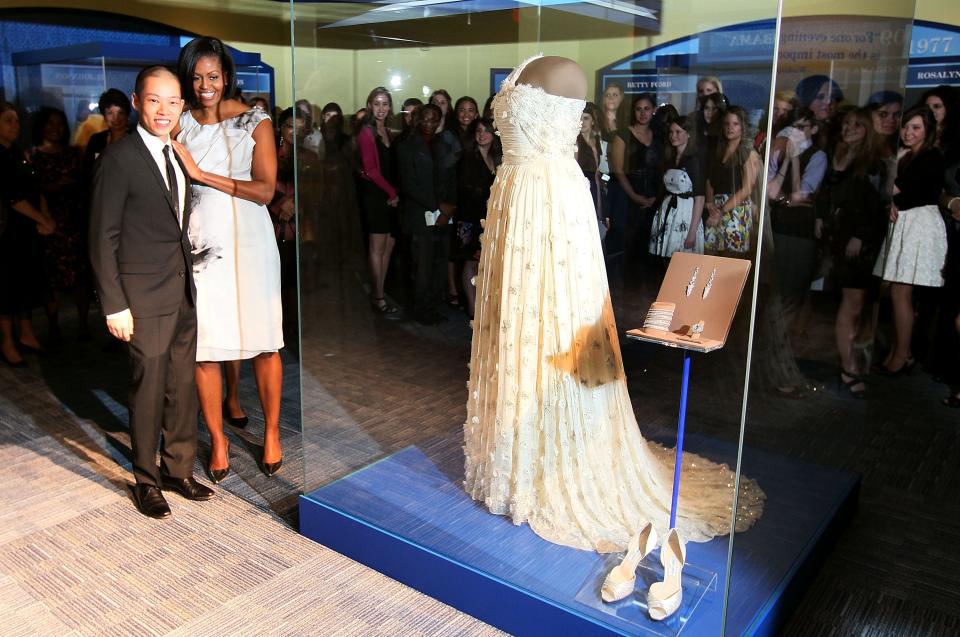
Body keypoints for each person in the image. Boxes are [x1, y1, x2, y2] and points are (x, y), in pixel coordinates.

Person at [464, 55, 764, 553]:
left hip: (550, 205)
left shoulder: (566, 70)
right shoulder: (527, 68)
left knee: (559, 326)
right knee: (519, 326)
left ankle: (562, 452)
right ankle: (515, 454)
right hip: (515, 202)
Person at [88, 66, 215, 518]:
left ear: (182, 106)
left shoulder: (177, 153)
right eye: (154, 100)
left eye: (173, 101)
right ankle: (146, 477)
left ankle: (177, 468)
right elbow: (102, 236)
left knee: (181, 386)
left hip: (181, 291)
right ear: (138, 101)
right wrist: (115, 303)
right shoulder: (118, 159)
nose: (164, 110)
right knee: (148, 389)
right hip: (140, 300)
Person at [173, 36, 284, 481]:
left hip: (252, 242)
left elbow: (264, 191)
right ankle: (218, 440)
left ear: (227, 76)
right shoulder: (179, 123)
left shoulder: (255, 121)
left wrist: (202, 175)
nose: (205, 86)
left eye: (213, 77)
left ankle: (272, 433)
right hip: (202, 245)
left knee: (264, 341)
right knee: (206, 347)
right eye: (197, 77)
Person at [815, 107, 887, 398]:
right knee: (848, 303)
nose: (849, 129)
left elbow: (875, 208)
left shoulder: (872, 162)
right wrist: (820, 216)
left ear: (867, 129)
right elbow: (824, 193)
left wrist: (860, 235)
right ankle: (848, 365)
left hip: (859, 243)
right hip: (837, 239)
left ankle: (850, 365)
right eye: (846, 124)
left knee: (855, 303)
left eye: (857, 125)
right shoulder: (836, 154)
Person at [873, 106, 947, 376]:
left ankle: (903, 354)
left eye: (916, 127)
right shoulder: (905, 155)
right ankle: (900, 351)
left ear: (927, 130)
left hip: (919, 225)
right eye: (906, 126)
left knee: (900, 291)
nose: (908, 132)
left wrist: (894, 199)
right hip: (904, 223)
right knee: (896, 291)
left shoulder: (931, 157)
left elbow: (920, 193)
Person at [28, 107, 92, 344]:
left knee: (80, 277)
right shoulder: (33, 155)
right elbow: (31, 189)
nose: (55, 128)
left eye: (59, 124)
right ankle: (53, 326)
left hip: (74, 222)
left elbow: (86, 183)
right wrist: (53, 188)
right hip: (47, 224)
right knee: (50, 278)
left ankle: (84, 324)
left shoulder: (75, 153)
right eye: (49, 123)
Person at [0, 101, 55, 367]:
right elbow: (12, 197)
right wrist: (40, 217)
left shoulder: (19, 152)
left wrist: (44, 216)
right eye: (8, 120)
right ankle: (7, 342)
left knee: (26, 283)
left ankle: (26, 334)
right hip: (7, 232)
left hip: (27, 231)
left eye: (16, 120)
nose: (15, 125)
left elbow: (35, 187)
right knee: (7, 288)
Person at [398, 103, 457, 325]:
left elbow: (452, 177)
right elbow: (409, 184)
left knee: (439, 265)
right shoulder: (406, 147)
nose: (429, 123)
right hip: (420, 215)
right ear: (417, 119)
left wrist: (450, 207)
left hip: (444, 216)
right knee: (422, 267)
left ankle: (433, 307)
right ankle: (420, 310)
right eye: (425, 118)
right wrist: (438, 205)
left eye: (434, 119)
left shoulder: (444, 144)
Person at [356, 87, 401, 317]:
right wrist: (392, 193)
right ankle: (378, 296)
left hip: (390, 197)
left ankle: (379, 293)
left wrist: (395, 194)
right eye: (377, 104)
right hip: (376, 196)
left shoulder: (389, 132)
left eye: (385, 104)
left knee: (387, 248)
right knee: (377, 248)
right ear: (370, 105)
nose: (381, 108)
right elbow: (372, 171)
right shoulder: (367, 132)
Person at [455, 117, 500, 318]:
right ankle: (473, 308)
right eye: (479, 130)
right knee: (470, 261)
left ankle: (483, 305)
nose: (482, 134)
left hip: (490, 217)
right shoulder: (466, 156)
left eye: (487, 130)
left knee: (486, 262)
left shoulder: (498, 157)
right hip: (470, 217)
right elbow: (465, 188)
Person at [704, 106, 761, 256]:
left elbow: (747, 189)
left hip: (736, 209)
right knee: (709, 257)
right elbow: (710, 180)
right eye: (727, 124)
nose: (730, 128)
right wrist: (710, 205)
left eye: (735, 124)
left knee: (729, 261)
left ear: (743, 127)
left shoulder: (748, 152)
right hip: (715, 208)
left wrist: (721, 211)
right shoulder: (718, 150)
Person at [649, 114, 704, 258]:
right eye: (671, 132)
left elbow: (699, 198)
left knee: (681, 258)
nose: (673, 136)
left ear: (688, 134)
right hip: (668, 211)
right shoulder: (670, 158)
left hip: (685, 213)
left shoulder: (693, 160)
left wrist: (692, 232)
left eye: (678, 132)